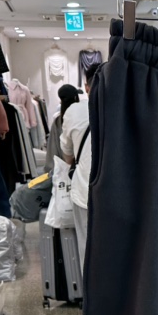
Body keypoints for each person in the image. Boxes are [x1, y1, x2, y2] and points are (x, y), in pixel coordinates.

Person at [60, 63, 100, 274]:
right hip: (120, 196)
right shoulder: (127, 108)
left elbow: (67, 155)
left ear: (86, 87)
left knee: (87, 249)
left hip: (85, 191)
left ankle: (92, 291)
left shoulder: (73, 111)